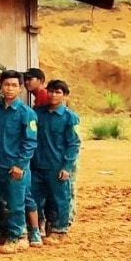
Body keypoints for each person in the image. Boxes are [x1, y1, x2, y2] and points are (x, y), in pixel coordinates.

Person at [0, 70, 39, 254]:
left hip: (15, 168)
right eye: (6, 85)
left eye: (14, 85)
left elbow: (30, 142)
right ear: (1, 87)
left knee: (15, 204)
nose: (9, 89)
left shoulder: (26, 114)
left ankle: (17, 237)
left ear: (20, 89)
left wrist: (20, 164)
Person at [31, 79, 81, 239]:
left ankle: (59, 230)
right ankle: (37, 228)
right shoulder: (37, 114)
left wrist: (67, 166)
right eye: (51, 91)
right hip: (37, 165)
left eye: (58, 92)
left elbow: (73, 143)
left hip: (57, 166)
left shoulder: (70, 117)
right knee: (34, 199)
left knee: (60, 199)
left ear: (65, 95)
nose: (53, 95)